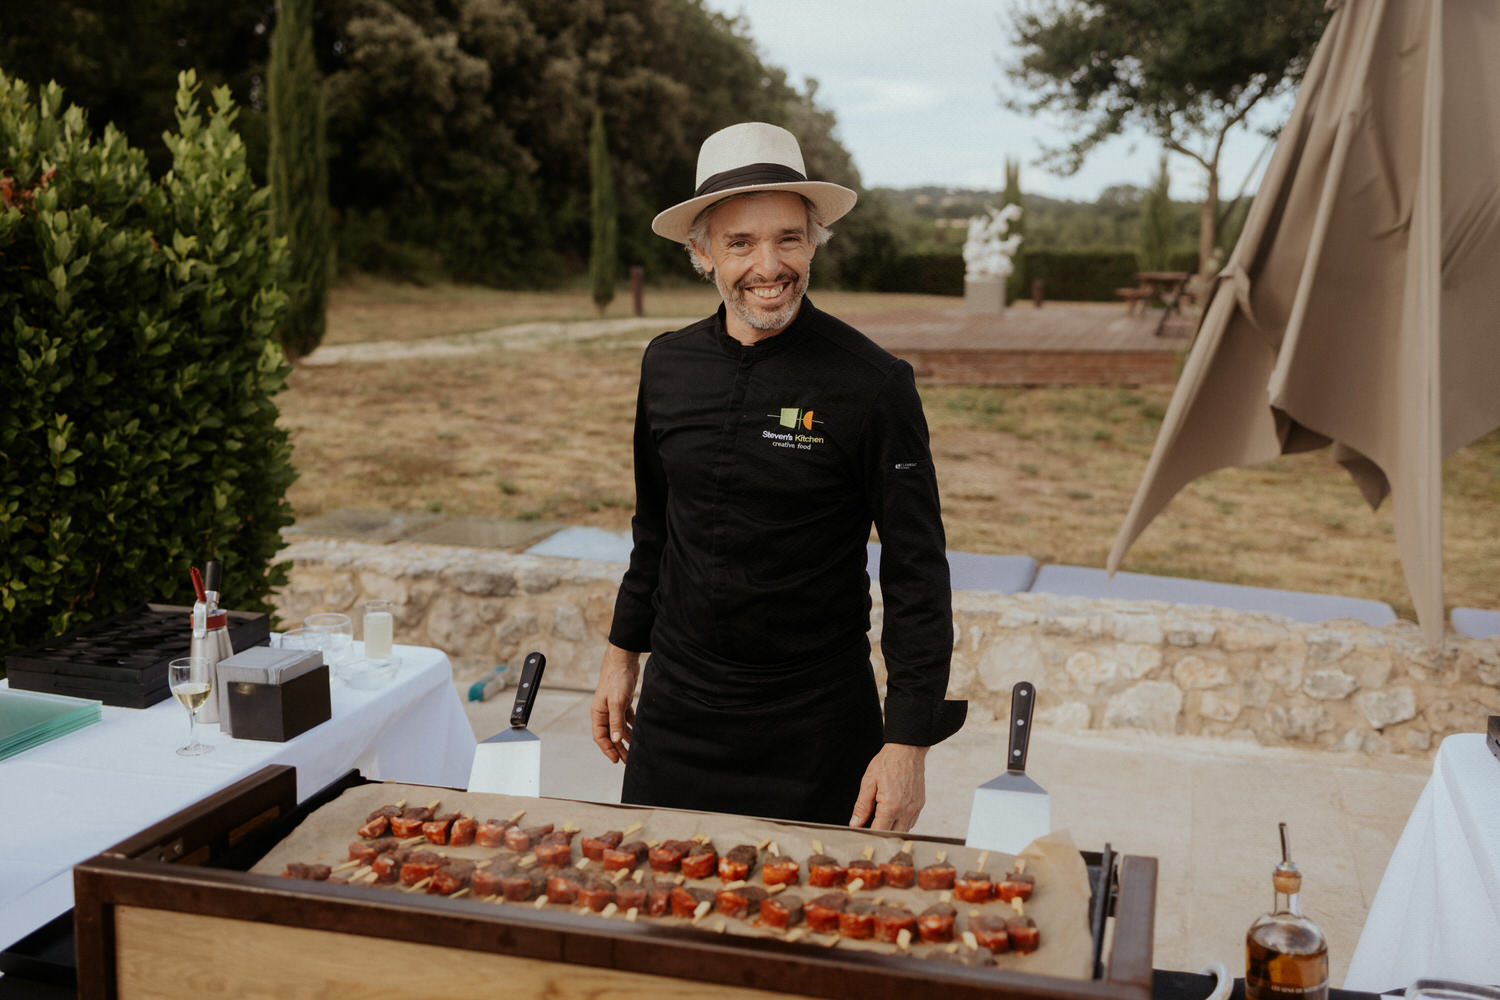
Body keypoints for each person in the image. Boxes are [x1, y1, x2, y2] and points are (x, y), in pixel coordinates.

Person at [590, 122, 965, 831]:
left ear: (814, 241)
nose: (770, 264)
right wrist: (620, 657)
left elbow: (917, 572)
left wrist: (907, 741)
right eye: (741, 242)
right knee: (655, 911)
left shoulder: (874, 384)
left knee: (812, 933)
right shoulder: (665, 366)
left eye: (788, 238)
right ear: (701, 253)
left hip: (816, 726)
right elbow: (654, 531)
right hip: (677, 716)